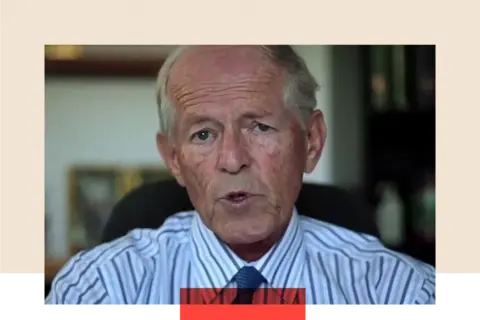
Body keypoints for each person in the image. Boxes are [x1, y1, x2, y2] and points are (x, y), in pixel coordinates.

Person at [45, 45, 437, 306]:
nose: (232, 160)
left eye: (260, 128)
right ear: (174, 159)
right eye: (203, 134)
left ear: (312, 141)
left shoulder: (400, 292)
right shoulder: (97, 290)